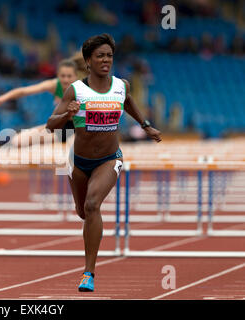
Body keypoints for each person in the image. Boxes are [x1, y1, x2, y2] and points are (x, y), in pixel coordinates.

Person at [46, 34, 162, 292]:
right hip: (78, 162)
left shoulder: (122, 86)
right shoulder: (76, 90)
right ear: (88, 61)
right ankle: (91, 233)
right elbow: (50, 125)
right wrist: (68, 113)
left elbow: (128, 102)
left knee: (92, 204)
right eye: (100, 56)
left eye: (109, 55)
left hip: (109, 159)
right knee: (81, 211)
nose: (106, 60)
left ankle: (88, 273)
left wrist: (145, 125)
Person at [0, 56, 87, 147]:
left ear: (76, 77)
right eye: (62, 76)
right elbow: (23, 91)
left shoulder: (83, 88)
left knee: (74, 147)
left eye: (69, 76)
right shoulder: (54, 84)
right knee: (17, 141)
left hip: (81, 128)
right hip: (60, 127)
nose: (66, 80)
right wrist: (2, 98)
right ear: (58, 76)